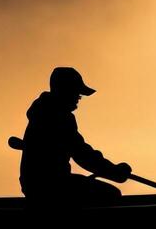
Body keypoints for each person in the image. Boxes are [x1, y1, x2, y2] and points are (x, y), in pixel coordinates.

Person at [19, 67, 132, 204]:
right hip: (51, 185)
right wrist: (113, 172)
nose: (78, 99)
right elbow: (82, 154)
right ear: (65, 91)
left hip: (34, 185)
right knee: (111, 194)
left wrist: (111, 171)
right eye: (77, 94)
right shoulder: (59, 117)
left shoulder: (42, 112)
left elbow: (80, 152)